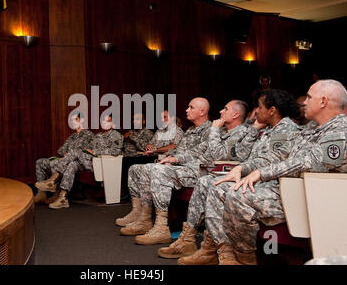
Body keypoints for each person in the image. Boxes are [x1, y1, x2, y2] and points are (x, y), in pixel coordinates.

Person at [218, 79, 346, 265]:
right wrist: (244, 168)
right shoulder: (311, 128)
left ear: (323, 101)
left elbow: (310, 163)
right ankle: (234, 255)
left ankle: (245, 259)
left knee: (239, 195)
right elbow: (279, 156)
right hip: (292, 190)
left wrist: (261, 173)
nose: (303, 101)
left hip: (315, 199)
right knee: (227, 188)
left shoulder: (341, 130)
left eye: (309, 97)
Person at [173, 89, 301, 265]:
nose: (257, 111)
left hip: (272, 185)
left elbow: (266, 161)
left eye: (261, 107)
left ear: (272, 110)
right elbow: (244, 154)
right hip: (255, 178)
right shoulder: (269, 129)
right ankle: (213, 248)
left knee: (219, 188)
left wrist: (242, 166)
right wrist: (253, 130)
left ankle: (238, 256)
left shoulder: (285, 130)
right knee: (208, 182)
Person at [132, 99, 256, 246]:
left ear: (235, 114)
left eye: (225, 109)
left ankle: (163, 228)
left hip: (212, 171)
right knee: (153, 167)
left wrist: (215, 130)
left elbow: (218, 155)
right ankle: (149, 220)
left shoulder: (241, 133)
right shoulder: (221, 130)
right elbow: (198, 151)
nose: (221, 112)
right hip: (197, 167)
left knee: (160, 171)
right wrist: (175, 158)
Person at [116, 98, 211, 239]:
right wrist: (168, 157)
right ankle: (143, 217)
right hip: (180, 167)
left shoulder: (210, 130)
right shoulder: (191, 130)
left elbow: (199, 154)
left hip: (197, 170)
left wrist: (174, 159)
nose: (186, 110)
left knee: (157, 170)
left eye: (191, 107)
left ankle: (161, 227)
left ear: (202, 111)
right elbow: (178, 150)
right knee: (136, 168)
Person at [46, 115, 124, 209]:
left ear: (113, 124)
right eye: (103, 120)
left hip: (102, 164)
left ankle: (54, 178)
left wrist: (95, 152)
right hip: (90, 161)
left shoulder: (116, 135)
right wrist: (88, 150)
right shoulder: (98, 135)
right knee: (72, 164)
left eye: (107, 121)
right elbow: (90, 149)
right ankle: (63, 198)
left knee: (75, 152)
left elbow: (115, 151)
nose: (104, 122)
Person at [33, 113, 94, 204]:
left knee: (58, 163)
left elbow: (84, 153)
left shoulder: (89, 135)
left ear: (82, 120)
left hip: (77, 163)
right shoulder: (72, 137)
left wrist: (70, 154)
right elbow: (60, 150)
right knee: (40, 162)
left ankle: (56, 190)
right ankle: (42, 193)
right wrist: (66, 154)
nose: (73, 121)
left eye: (76, 119)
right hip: (65, 160)